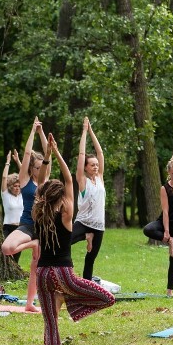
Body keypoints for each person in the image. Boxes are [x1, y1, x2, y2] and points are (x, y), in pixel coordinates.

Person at [33, 135, 115, 345]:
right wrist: (56, 154)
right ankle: (68, 301)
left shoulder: (38, 212)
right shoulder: (67, 215)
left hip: (42, 274)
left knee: (51, 326)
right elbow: (69, 178)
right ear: (62, 199)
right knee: (106, 298)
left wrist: (48, 155)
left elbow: (40, 183)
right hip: (63, 275)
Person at [1, 117, 50, 312]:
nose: (41, 169)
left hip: (45, 228)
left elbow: (49, 153)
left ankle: (30, 303)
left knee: (36, 269)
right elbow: (28, 153)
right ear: (31, 168)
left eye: (42, 166)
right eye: (37, 167)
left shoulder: (46, 181)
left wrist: (41, 133)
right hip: (28, 226)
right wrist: (32, 131)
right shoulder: (24, 181)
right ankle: (33, 244)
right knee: (7, 248)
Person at [143, 117, 173, 296]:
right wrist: (166, 233)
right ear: (168, 172)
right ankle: (169, 241)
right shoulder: (165, 187)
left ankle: (169, 290)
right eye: (171, 173)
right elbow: (164, 211)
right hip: (165, 221)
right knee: (148, 229)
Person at [70, 117, 106, 280]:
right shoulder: (82, 180)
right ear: (85, 167)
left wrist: (91, 130)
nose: (96, 166)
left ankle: (86, 285)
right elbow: (82, 154)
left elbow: (100, 153)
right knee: (64, 243)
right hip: (83, 222)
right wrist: (84, 131)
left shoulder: (100, 178)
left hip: (99, 225)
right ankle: (86, 236)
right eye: (92, 165)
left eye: (97, 164)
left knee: (91, 258)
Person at [0, 150, 24, 264]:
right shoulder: (6, 196)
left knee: (17, 253)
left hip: (20, 227)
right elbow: (4, 178)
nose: (17, 188)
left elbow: (25, 176)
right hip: (8, 227)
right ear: (10, 186)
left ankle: (15, 270)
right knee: (6, 251)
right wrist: (8, 162)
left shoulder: (22, 196)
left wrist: (18, 161)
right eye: (15, 186)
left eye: (19, 186)